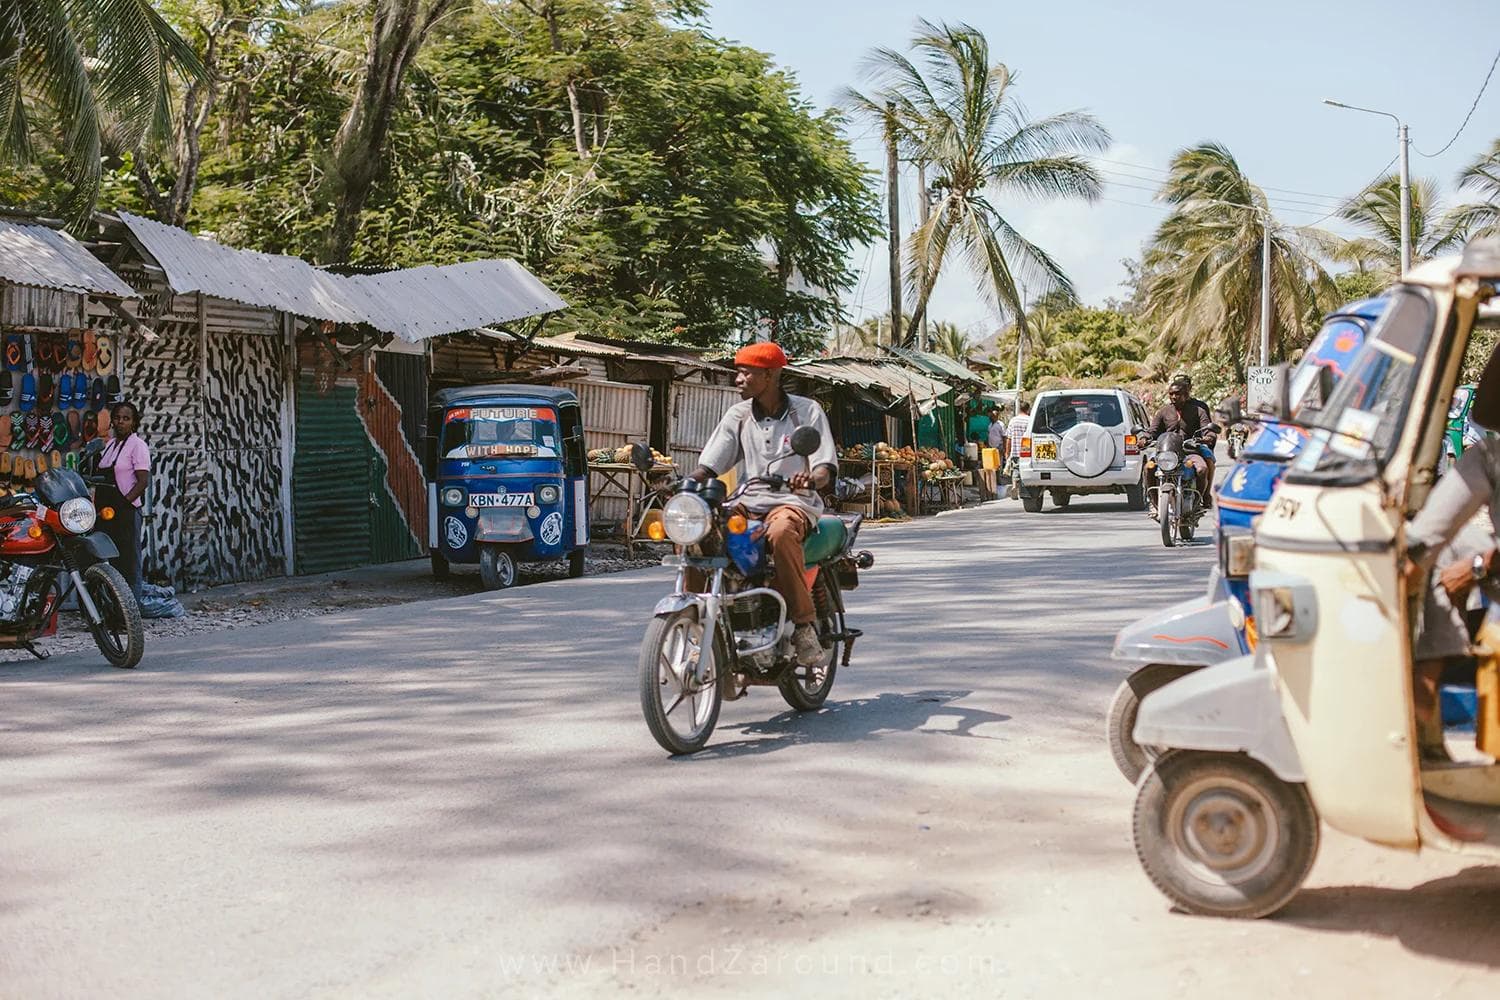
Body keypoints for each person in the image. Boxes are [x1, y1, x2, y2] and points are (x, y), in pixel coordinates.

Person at [694, 341, 838, 667]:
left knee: (782, 533)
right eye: (738, 372)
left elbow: (824, 467)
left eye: (746, 373)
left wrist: (811, 479)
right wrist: (690, 482)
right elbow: (712, 463)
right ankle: (697, 617)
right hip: (748, 499)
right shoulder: (739, 414)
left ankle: (803, 626)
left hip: (794, 501)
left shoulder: (807, 411)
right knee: (701, 531)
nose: (738, 379)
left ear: (770, 375)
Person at [96, 400, 150, 601]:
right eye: (117, 418)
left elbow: (143, 482)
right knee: (108, 562)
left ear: (134, 423)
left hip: (126, 512)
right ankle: (111, 609)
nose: (121, 422)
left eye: (126, 419)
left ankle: (130, 613)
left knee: (128, 563)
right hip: (105, 512)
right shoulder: (110, 445)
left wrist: (124, 504)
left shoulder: (138, 446)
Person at [1148, 373, 1218, 512]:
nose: (1174, 397)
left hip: (1190, 450)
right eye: (1171, 394)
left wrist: (1208, 437)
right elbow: (1152, 431)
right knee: (1148, 467)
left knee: (1203, 467)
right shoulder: (1163, 411)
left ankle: (1201, 498)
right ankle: (1154, 501)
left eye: (1178, 394)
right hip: (1167, 451)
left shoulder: (1199, 409)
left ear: (1187, 394)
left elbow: (1207, 428)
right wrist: (1144, 438)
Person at [1004, 398, 1031, 499]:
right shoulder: (1029, 420)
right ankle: (1024, 489)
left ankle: (1015, 486)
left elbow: (1008, 438)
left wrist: (1007, 452)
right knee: (1025, 470)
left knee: (1016, 469)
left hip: (1015, 450)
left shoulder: (1013, 421)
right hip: (1026, 450)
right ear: (1028, 410)